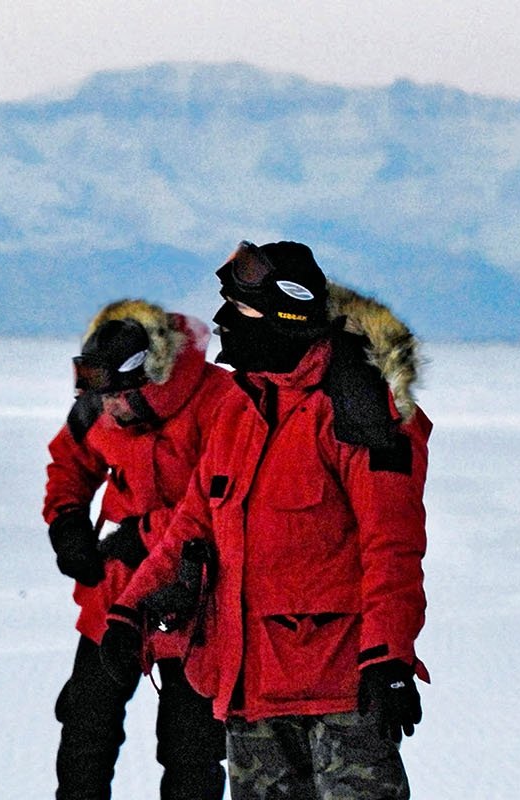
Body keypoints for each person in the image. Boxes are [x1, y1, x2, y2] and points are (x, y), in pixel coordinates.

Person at [102, 241, 431, 799]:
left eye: (242, 310)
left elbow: (392, 546)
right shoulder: (238, 408)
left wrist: (389, 657)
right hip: (249, 692)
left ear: (287, 316)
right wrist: (130, 612)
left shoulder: (359, 408)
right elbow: (192, 525)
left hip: (342, 695)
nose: (225, 322)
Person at [43, 299, 235, 800]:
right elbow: (69, 460)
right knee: (85, 728)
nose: (105, 410)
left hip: (194, 600)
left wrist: (142, 536)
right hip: (114, 594)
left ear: (152, 378)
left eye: (116, 398)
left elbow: (223, 505)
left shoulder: (223, 404)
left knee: (190, 747)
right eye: (99, 399)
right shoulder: (101, 399)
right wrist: (66, 523)